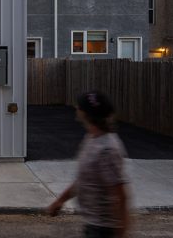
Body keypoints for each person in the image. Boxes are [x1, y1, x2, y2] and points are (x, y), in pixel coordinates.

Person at [48, 91, 129, 237]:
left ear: (86, 113)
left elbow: (120, 196)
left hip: (104, 229)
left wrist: (121, 233)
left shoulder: (107, 149)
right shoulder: (91, 138)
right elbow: (84, 178)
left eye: (79, 106)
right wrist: (60, 201)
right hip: (92, 224)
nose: (76, 107)